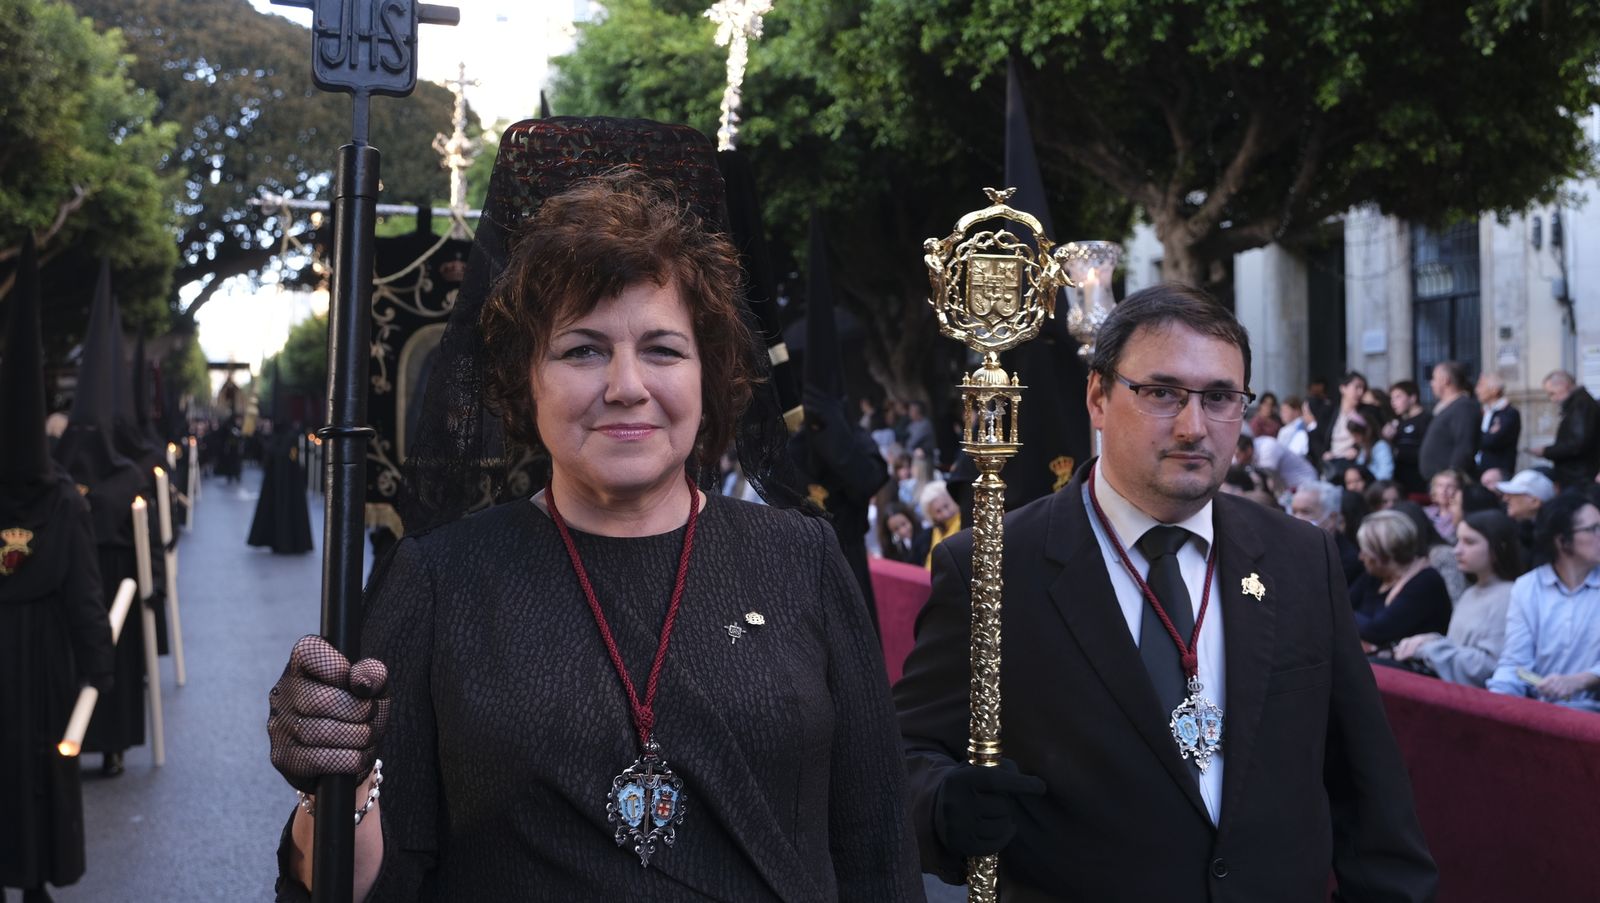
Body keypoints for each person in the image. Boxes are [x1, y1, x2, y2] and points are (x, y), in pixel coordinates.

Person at [264, 131, 922, 901]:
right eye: (582, 350)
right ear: (525, 379)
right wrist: (332, 784)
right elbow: (367, 884)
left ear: (707, 373)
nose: (626, 385)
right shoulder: (439, 581)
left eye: (663, 349)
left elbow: (878, 850)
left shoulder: (801, 558)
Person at [895, 284, 1435, 901]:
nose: (1193, 426)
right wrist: (941, 803)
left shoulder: (1300, 557)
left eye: (1219, 397)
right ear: (1097, 397)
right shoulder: (993, 565)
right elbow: (904, 755)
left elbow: (1370, 794)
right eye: (1161, 392)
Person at [1, 237, 116, 903]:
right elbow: (84, 596)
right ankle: (34, 879)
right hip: (43, 664)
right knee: (38, 765)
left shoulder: (66, 500)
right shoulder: (65, 502)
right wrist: (98, 668)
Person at [1487, 493, 1600, 712]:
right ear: (1561, 540)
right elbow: (1515, 663)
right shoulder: (1527, 588)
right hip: (1541, 712)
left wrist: (1581, 680)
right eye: (1594, 529)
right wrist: (1496, 705)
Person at [1392, 510, 1522, 686]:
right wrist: (1430, 640)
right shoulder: (1470, 593)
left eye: (1469, 542)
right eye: (1458, 540)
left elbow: (1489, 667)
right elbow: (1458, 648)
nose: (1457, 550)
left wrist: (1428, 649)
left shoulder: (1509, 597)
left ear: (1498, 547)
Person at [1347, 510, 1453, 651]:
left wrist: (1345, 616)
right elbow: (1341, 604)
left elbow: (1376, 631)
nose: (1360, 557)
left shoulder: (1425, 582)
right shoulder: (1375, 575)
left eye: (1365, 551)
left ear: (1383, 555)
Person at [1532, 370, 1600, 490]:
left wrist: (1547, 451)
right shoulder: (1577, 404)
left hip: (1578, 477)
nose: (1552, 399)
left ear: (1563, 385)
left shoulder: (1581, 404)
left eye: (1552, 393)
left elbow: (1577, 444)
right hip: (1577, 475)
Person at [1292, 480, 1364, 586]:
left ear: (1332, 518)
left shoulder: (1347, 562)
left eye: (1306, 512)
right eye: (1294, 511)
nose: (1296, 518)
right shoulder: (1288, 549)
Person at [1418, 361, 1480, 482]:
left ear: (1445, 380)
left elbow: (1464, 446)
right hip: (1438, 482)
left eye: (1434, 378)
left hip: (1450, 485)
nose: (1431, 383)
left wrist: (1453, 474)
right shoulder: (1449, 407)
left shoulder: (1464, 407)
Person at [1385, 380, 1432, 497]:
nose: (1393, 402)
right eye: (1392, 398)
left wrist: (1398, 452)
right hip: (1400, 485)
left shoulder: (1427, 420)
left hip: (1419, 486)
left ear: (1412, 398)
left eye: (1398, 397)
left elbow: (1427, 452)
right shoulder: (1398, 423)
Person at [1475, 373, 1520, 481]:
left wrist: (1473, 437)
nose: (1477, 390)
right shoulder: (1482, 412)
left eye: (1481, 385)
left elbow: (1491, 440)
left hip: (1496, 473)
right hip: (1478, 470)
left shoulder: (1508, 413)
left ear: (1494, 390)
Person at [918, 480, 961, 570]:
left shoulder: (965, 521)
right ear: (931, 516)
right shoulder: (937, 529)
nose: (946, 513)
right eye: (938, 511)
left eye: (946, 506)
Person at [879, 500, 930, 565]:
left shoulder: (926, 534)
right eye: (896, 529)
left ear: (910, 519)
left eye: (904, 524)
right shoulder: (893, 548)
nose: (902, 531)